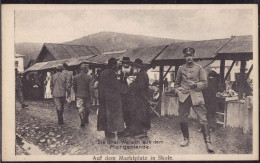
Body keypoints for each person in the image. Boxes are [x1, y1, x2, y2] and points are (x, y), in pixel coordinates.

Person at [174, 47, 214, 153]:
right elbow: (176, 84)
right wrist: (178, 91)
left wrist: (196, 84)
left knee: (203, 119)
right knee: (182, 118)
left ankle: (208, 142)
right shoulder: (181, 68)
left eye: (190, 56)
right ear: (185, 57)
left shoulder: (199, 68)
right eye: (187, 56)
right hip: (184, 97)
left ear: (194, 56)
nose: (189, 58)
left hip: (196, 97)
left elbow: (205, 83)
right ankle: (186, 139)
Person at [97, 57, 128, 138]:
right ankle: (120, 132)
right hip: (112, 98)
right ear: (113, 65)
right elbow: (116, 85)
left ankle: (108, 132)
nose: (117, 66)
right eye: (116, 65)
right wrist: (126, 89)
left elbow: (101, 86)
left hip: (104, 98)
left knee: (106, 115)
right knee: (116, 115)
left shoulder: (103, 73)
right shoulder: (111, 73)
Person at [128, 58, 151, 138]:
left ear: (137, 67)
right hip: (142, 98)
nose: (133, 69)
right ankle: (139, 131)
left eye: (134, 67)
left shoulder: (141, 74)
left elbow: (140, 86)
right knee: (140, 114)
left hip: (141, 98)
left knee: (141, 115)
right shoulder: (143, 73)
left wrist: (132, 84)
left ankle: (142, 132)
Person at [118, 57, 133, 136]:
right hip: (121, 94)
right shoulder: (119, 70)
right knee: (122, 111)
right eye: (124, 63)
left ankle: (129, 127)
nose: (126, 64)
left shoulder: (132, 70)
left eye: (127, 63)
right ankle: (122, 127)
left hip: (130, 94)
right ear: (122, 63)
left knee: (129, 111)